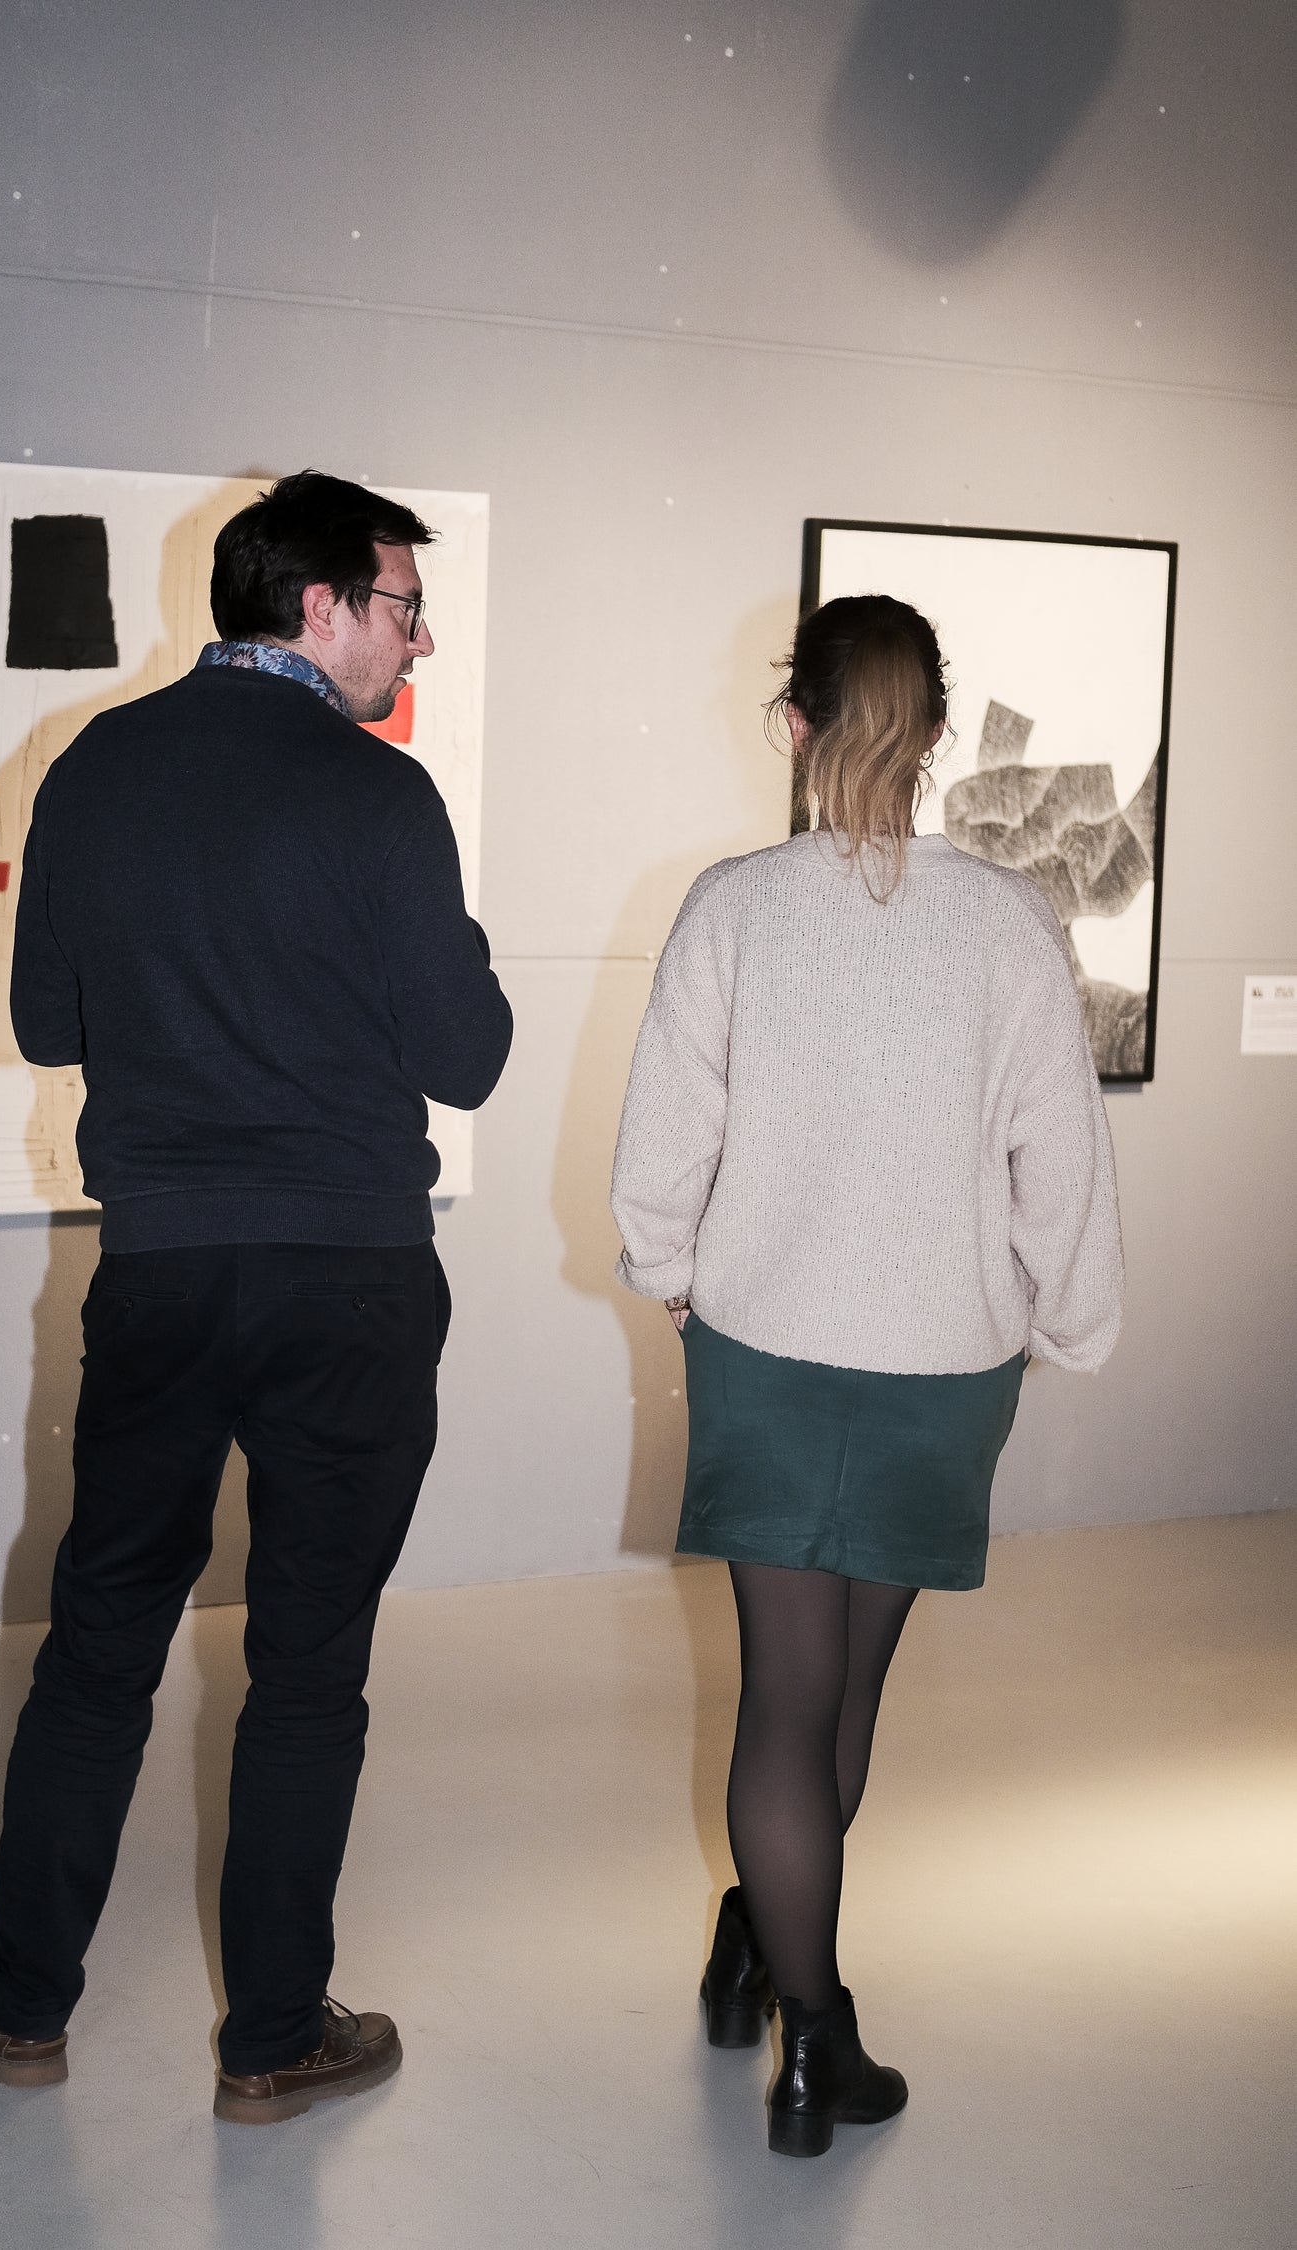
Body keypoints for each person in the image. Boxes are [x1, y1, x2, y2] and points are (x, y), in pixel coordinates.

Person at [0, 470, 513, 2125]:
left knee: (102, 1632)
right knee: (309, 1661)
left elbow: (44, 1025)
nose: (419, 640)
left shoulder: (96, 766)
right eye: (404, 606)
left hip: (166, 1269)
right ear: (318, 606)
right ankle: (271, 2038)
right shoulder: (381, 796)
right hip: (352, 1281)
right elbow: (467, 1052)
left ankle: (21, 2002)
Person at [610, 594, 1123, 2159]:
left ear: (795, 724)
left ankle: (777, 1966)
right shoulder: (1009, 921)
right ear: (940, 734)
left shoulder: (735, 907)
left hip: (764, 1349)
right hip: (940, 1371)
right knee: (846, 1697)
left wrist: (673, 1270)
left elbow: (663, 1142)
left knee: (786, 1690)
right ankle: (810, 2020)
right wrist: (1071, 1319)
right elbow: (1061, 1154)